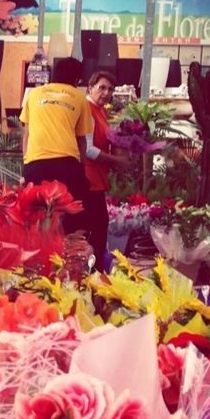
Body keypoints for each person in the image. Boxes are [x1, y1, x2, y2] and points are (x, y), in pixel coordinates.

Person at [20, 55, 91, 236]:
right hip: (66, 164)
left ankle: (36, 255)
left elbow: (26, 134)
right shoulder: (79, 98)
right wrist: (81, 169)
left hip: (35, 163)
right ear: (77, 78)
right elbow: (81, 140)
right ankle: (68, 255)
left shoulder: (34, 94)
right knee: (72, 215)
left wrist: (26, 165)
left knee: (34, 215)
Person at [82, 67, 129, 269]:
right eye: (102, 88)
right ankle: (94, 274)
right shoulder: (87, 110)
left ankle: (95, 273)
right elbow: (88, 150)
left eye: (110, 89)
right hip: (88, 180)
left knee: (98, 231)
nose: (107, 93)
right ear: (90, 88)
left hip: (98, 179)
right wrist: (116, 161)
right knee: (96, 231)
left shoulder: (100, 111)